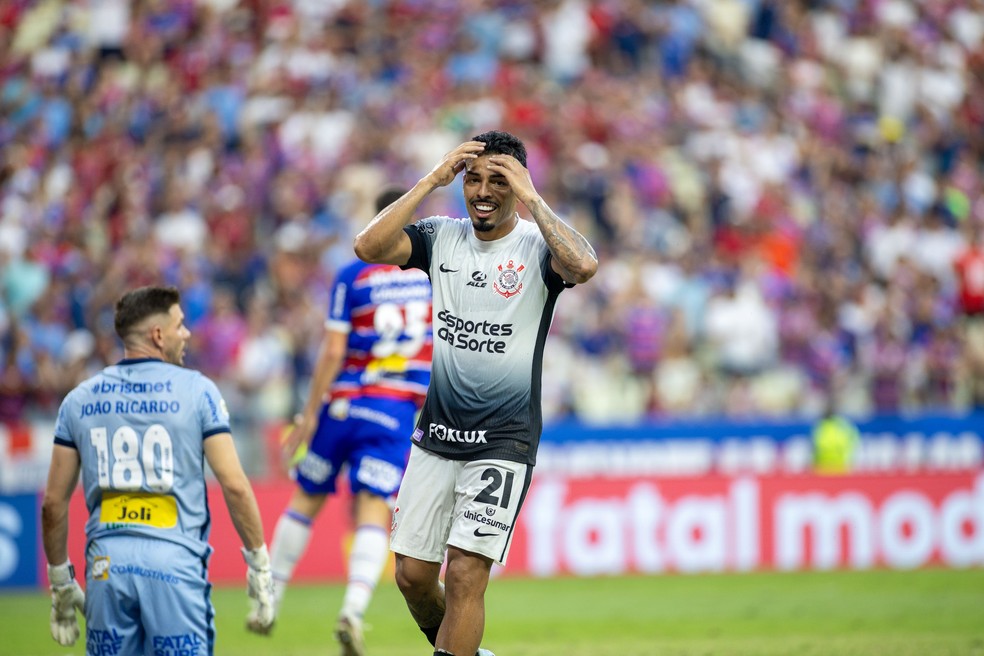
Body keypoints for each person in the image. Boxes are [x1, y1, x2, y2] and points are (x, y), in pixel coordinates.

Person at [353, 130, 598, 656]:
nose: (483, 191)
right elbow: (367, 247)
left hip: (503, 442)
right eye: (473, 178)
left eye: (498, 180)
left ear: (518, 185)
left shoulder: (537, 247)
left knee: (465, 574)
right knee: (414, 577)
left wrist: (533, 198)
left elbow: (584, 265)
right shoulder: (441, 236)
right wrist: (431, 179)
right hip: (436, 435)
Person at [40, 286, 276, 652]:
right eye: (180, 325)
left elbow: (53, 503)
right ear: (157, 335)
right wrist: (259, 564)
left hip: (106, 567)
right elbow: (235, 486)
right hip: (174, 565)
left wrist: (60, 582)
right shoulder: (198, 391)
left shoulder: (79, 400)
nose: (187, 334)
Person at [265, 187, 433, 655]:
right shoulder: (432, 275)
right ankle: (353, 610)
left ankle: (270, 598)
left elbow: (335, 350)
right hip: (394, 410)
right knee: (374, 508)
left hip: (342, 406)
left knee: (307, 497)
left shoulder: (353, 273)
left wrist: (308, 414)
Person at [812, 400, 861, 474]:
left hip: (824, 468)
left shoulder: (820, 427)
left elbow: (815, 447)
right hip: (839, 467)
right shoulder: (843, 425)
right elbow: (854, 439)